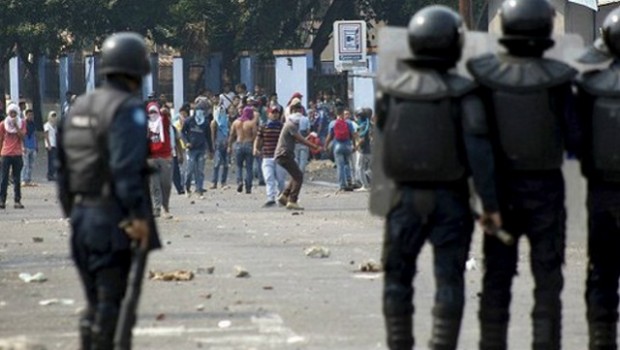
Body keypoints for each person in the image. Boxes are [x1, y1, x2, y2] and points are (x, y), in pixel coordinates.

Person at [373, 6, 500, 349]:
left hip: (403, 199)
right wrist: (490, 204)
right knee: (449, 278)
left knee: (397, 278)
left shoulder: (392, 90)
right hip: (451, 199)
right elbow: (479, 154)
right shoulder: (465, 92)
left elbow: (384, 139)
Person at [466, 0, 577, 348]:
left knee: (497, 281)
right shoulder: (561, 79)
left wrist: (487, 201)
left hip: (500, 190)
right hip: (547, 189)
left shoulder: (482, 75)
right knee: (547, 283)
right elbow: (576, 140)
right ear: (546, 29)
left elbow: (477, 147)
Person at [56, 32, 161, 350]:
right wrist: (138, 216)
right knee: (112, 307)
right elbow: (126, 168)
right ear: (136, 72)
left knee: (95, 303)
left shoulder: (77, 108)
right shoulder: (127, 108)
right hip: (113, 218)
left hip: (82, 218)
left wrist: (72, 211)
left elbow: (61, 170)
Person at [575, 8, 620, 349]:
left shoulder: (589, 87)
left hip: (602, 193)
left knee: (602, 274)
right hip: (601, 190)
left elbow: (574, 140)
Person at [275, 102, 322, 210]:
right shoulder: (290, 125)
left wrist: (309, 140)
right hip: (284, 154)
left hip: (284, 154)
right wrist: (314, 146)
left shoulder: (289, 124)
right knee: (298, 176)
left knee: (295, 174)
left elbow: (296, 139)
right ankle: (292, 200)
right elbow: (299, 138)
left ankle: (284, 195)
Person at [254, 105, 286, 207]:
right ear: (269, 114)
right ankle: (271, 197)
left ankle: (282, 196)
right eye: (273, 112)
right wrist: (256, 148)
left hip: (279, 156)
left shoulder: (282, 127)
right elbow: (258, 138)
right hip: (267, 155)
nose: (275, 114)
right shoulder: (263, 126)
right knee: (268, 177)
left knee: (280, 179)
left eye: (276, 113)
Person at [146, 102, 173, 219]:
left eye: (154, 111)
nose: (153, 114)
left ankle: (165, 206)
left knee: (166, 184)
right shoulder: (145, 125)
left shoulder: (163, 122)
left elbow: (167, 116)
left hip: (165, 157)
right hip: (151, 158)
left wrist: (165, 111)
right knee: (154, 185)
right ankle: (157, 208)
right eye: (150, 112)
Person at [182, 100, 213, 198]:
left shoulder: (205, 123)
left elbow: (208, 137)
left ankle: (199, 190)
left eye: (202, 110)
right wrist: (187, 142)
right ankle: (187, 188)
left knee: (200, 171)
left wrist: (211, 150)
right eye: (199, 110)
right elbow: (182, 133)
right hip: (191, 150)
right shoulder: (189, 121)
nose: (200, 112)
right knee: (190, 170)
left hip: (201, 149)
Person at [0, 103, 26, 209]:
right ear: (8, 113)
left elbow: (22, 136)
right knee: (4, 178)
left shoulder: (22, 123)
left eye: (15, 113)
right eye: (11, 113)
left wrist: (16, 126)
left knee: (17, 179)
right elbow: (1, 139)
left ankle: (17, 200)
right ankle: (2, 200)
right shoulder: (3, 124)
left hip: (17, 154)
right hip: (5, 154)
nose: (13, 115)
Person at [325, 106, 356, 191]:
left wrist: (325, 146)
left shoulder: (332, 123)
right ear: (343, 113)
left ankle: (342, 185)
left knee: (340, 166)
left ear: (336, 114)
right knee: (347, 164)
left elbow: (329, 136)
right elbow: (353, 135)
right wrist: (354, 145)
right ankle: (349, 182)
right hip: (347, 146)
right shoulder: (348, 123)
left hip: (338, 146)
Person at [229, 105, 258, 193]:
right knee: (249, 167)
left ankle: (239, 181)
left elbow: (231, 135)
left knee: (239, 166)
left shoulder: (236, 122)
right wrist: (254, 145)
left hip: (238, 144)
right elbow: (255, 135)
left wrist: (229, 146)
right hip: (248, 144)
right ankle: (248, 186)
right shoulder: (251, 123)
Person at [210, 95, 230, 189]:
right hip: (218, 140)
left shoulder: (223, 113)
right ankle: (215, 182)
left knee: (225, 163)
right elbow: (213, 132)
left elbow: (226, 129)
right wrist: (213, 143)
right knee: (217, 163)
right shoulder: (214, 119)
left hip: (224, 139)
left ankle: (223, 182)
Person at [20, 108, 38, 187]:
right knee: (25, 164)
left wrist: (36, 146)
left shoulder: (33, 124)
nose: (31, 116)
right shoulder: (23, 123)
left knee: (31, 165)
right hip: (26, 146)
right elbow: (21, 136)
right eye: (29, 115)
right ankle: (23, 179)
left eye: (32, 115)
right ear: (26, 115)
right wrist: (22, 146)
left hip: (32, 146)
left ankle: (28, 179)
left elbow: (34, 135)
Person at [43, 111, 58, 181]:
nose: (54, 118)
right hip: (50, 144)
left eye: (54, 116)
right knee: (51, 160)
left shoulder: (55, 126)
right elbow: (46, 135)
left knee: (54, 160)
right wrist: (48, 144)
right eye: (52, 116)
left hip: (54, 144)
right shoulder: (47, 125)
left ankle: (52, 174)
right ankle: (50, 174)